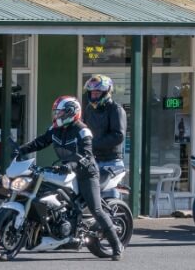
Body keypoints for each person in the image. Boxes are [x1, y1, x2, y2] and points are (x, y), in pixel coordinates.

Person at [16, 95, 124, 261]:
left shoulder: (83, 131)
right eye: (56, 113)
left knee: (95, 209)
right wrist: (21, 150)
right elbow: (40, 142)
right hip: (66, 170)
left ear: (71, 113)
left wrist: (71, 166)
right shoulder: (55, 129)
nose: (57, 116)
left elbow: (86, 156)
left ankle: (117, 246)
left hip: (86, 173)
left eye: (60, 113)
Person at [82, 74, 127, 172]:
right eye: (92, 93)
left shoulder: (116, 109)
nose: (94, 95)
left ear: (106, 92)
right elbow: (84, 128)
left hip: (111, 161)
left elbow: (118, 135)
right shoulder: (89, 109)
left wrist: (93, 144)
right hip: (93, 159)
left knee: (109, 188)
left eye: (97, 93)